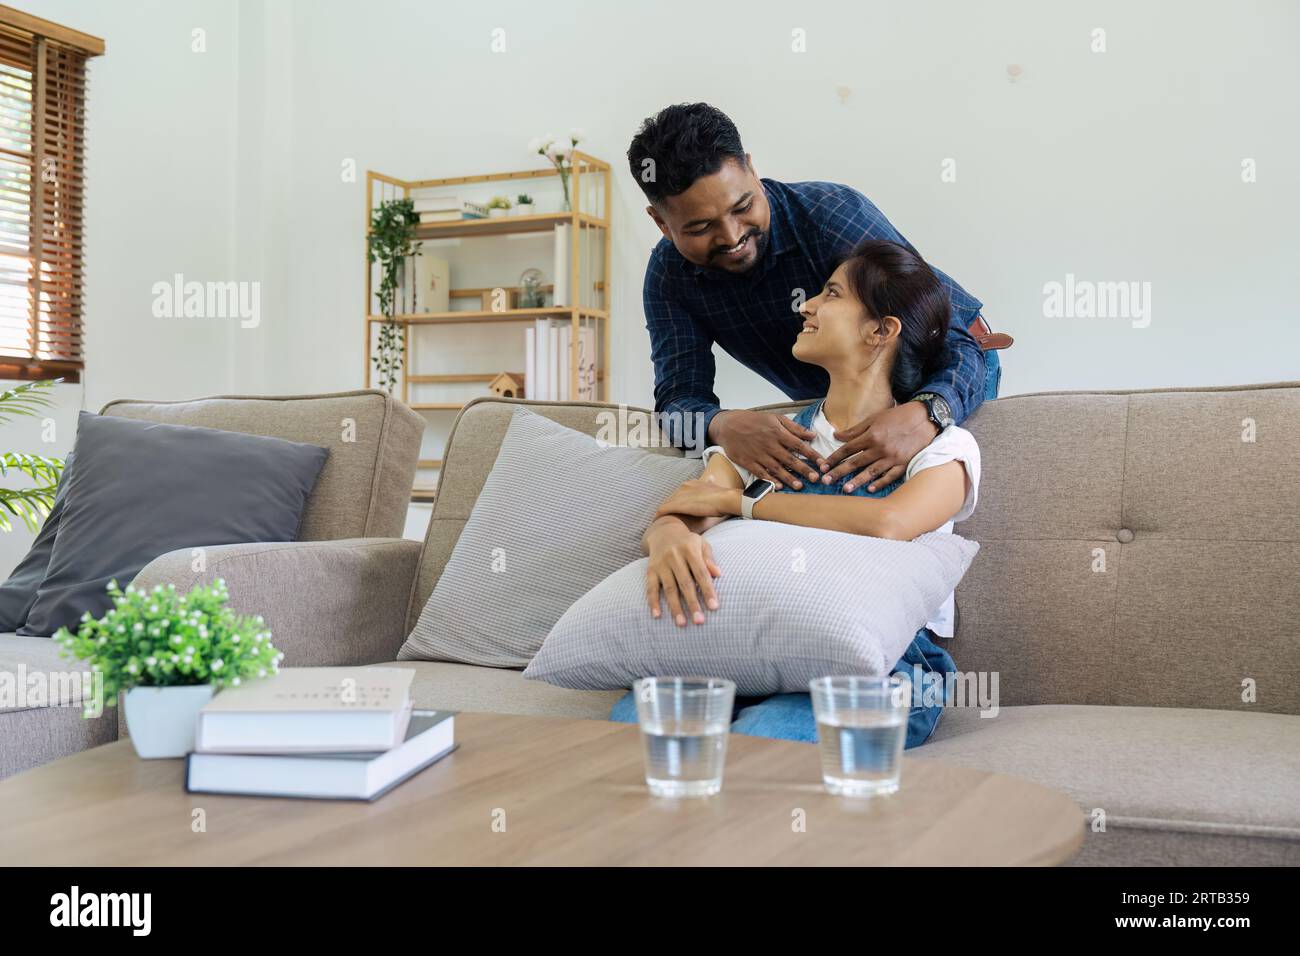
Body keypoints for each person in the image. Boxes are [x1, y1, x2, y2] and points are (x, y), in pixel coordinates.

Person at [608, 238, 981, 748]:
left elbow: (889, 524)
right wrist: (668, 536)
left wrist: (744, 505)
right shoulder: (768, 440)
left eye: (831, 295)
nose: (806, 304)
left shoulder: (947, 448)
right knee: (639, 725)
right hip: (746, 652)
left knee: (762, 741)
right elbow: (688, 507)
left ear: (881, 330)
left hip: (885, 668)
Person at [627, 102, 1001, 496]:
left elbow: (957, 342)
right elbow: (678, 399)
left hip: (953, 364)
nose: (732, 236)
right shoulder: (669, 277)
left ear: (752, 170)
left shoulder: (831, 217)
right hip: (845, 403)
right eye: (701, 227)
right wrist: (721, 424)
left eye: (743, 207)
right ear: (661, 223)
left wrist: (928, 413)